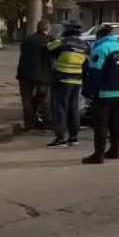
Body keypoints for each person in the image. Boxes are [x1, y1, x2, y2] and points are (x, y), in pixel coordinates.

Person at [81, 25, 119, 164]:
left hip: (104, 93)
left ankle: (98, 155)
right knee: (116, 122)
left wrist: (88, 91)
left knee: (101, 124)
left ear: (99, 37)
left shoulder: (101, 49)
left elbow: (95, 73)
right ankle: (115, 151)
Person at [45, 20, 89, 148]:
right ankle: (73, 137)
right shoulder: (85, 45)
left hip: (63, 79)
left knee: (60, 108)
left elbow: (47, 47)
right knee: (73, 108)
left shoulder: (63, 42)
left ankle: (60, 138)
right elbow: (86, 64)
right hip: (77, 80)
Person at [16, 19, 54, 132]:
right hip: (43, 74)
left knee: (26, 99)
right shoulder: (49, 41)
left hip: (24, 73)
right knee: (43, 96)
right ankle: (47, 123)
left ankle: (29, 125)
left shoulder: (27, 40)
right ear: (47, 29)